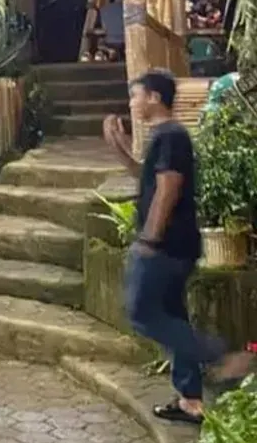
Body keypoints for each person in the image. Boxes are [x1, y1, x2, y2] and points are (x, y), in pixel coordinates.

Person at [103, 70, 252, 423]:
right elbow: (149, 178)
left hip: (166, 247)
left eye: (136, 95)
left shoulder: (170, 135)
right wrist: (120, 147)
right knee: (172, 316)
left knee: (143, 314)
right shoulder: (165, 137)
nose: (132, 103)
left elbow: (168, 187)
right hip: (175, 246)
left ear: (154, 97)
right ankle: (190, 399)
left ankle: (223, 356)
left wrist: (150, 238)